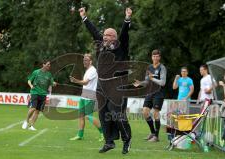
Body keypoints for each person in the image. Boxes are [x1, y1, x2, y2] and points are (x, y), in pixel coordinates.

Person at [78, 7, 132, 154]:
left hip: (117, 83)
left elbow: (125, 34)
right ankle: (109, 142)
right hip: (102, 85)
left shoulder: (121, 47)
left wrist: (127, 19)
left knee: (115, 113)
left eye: (108, 35)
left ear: (114, 37)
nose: (104, 37)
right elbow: (93, 30)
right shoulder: (101, 45)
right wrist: (84, 17)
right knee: (102, 113)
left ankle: (127, 139)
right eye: (104, 35)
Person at [69, 53, 104, 142]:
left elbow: (85, 83)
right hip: (84, 96)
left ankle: (103, 133)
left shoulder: (92, 70)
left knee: (89, 117)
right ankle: (80, 135)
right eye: (84, 60)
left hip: (90, 96)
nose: (84, 61)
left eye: (86, 60)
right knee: (81, 116)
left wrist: (75, 81)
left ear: (91, 61)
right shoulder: (88, 70)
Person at [133, 49, 167, 142]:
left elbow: (163, 83)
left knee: (156, 113)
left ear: (159, 57)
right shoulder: (149, 68)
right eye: (154, 56)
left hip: (159, 93)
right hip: (150, 92)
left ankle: (156, 136)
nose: (155, 58)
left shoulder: (162, 68)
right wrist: (140, 83)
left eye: (157, 56)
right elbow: (147, 81)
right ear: (152, 57)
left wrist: (153, 79)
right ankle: (152, 133)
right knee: (145, 112)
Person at [22, 60, 56, 130]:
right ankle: (26, 120)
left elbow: (51, 83)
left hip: (43, 94)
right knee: (33, 108)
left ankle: (31, 126)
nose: (49, 66)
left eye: (50, 64)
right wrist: (31, 86)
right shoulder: (36, 72)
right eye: (48, 64)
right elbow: (29, 80)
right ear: (43, 65)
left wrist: (54, 84)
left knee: (37, 111)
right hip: (35, 92)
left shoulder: (49, 74)